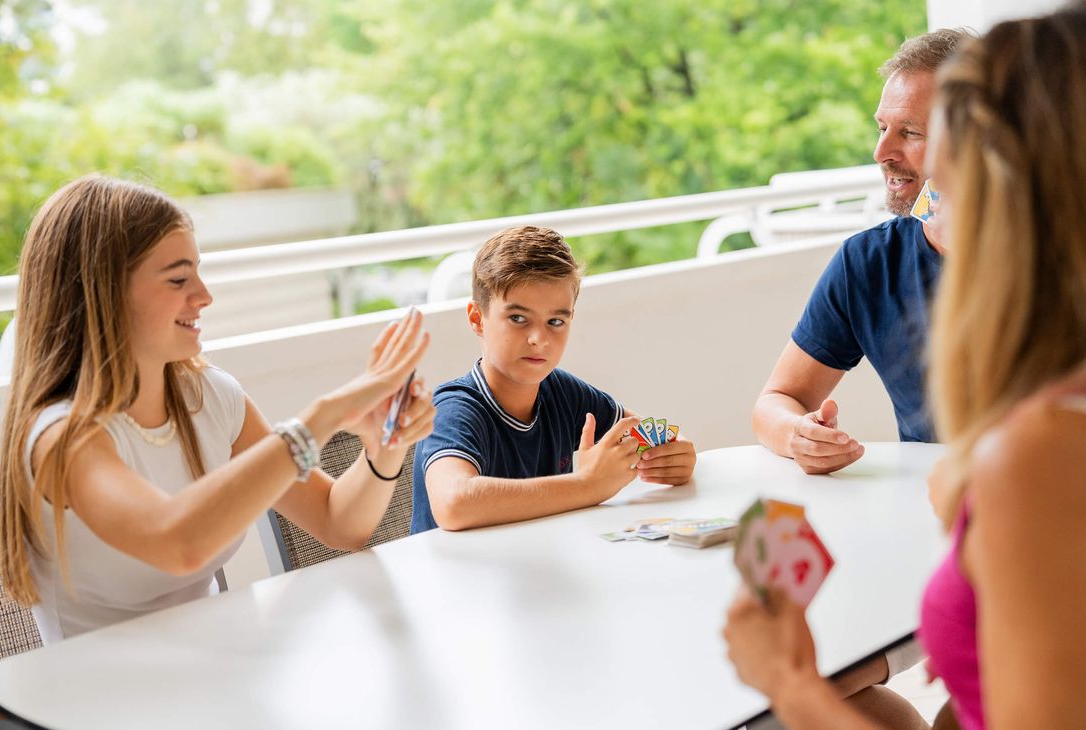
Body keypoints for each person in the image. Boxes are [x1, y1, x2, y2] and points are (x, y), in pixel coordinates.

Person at [725, 6, 1086, 729]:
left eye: (924, 136)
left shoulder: (1038, 454)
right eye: (884, 127)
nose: (890, 153)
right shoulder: (876, 262)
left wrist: (790, 686)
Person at [0, 175, 435, 642]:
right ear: (101, 292)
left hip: (218, 674)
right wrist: (321, 417)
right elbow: (177, 543)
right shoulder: (61, 438)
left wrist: (383, 448)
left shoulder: (210, 398)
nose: (204, 295)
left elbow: (336, 522)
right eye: (178, 278)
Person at [752, 28, 968, 476]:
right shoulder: (867, 263)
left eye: (909, 132)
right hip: (930, 504)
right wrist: (799, 435)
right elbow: (776, 400)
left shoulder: (1058, 250)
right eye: (882, 127)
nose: (881, 152)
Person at [410, 225, 696, 533]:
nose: (539, 339)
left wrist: (674, 456)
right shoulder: (454, 409)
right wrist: (586, 485)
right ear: (478, 319)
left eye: (556, 321)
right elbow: (454, 503)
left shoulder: (560, 391)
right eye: (518, 318)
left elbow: (648, 436)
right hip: (450, 579)